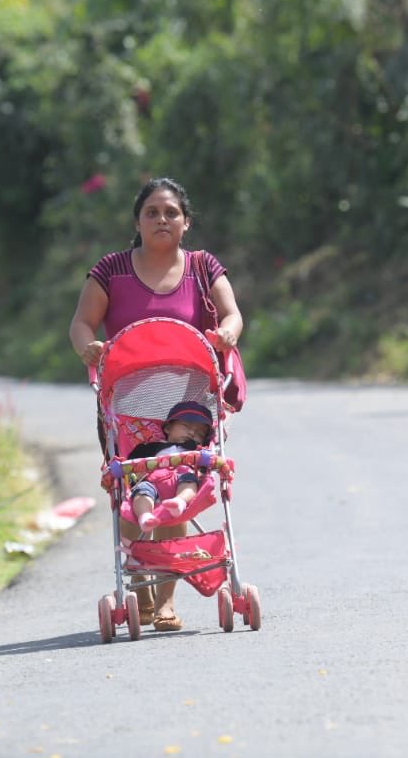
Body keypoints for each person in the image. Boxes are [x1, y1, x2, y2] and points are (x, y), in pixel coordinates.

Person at [69, 177, 243, 632]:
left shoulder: (203, 266)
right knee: (131, 490)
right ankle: (139, 587)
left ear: (186, 222)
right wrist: (89, 348)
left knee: (175, 490)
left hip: (189, 408)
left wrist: (227, 333)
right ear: (138, 222)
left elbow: (232, 313)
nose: (162, 219)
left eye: (171, 212)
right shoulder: (111, 270)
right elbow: (81, 324)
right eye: (152, 212)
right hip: (127, 408)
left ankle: (165, 601)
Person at [126, 401, 214, 531]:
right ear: (168, 428)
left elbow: (206, 469)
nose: (192, 433)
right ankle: (145, 516)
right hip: (153, 482)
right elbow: (131, 463)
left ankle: (180, 502)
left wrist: (206, 465)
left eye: (199, 434)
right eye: (186, 426)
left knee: (190, 480)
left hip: (181, 479)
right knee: (141, 491)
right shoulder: (152, 447)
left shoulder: (197, 451)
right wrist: (135, 474)